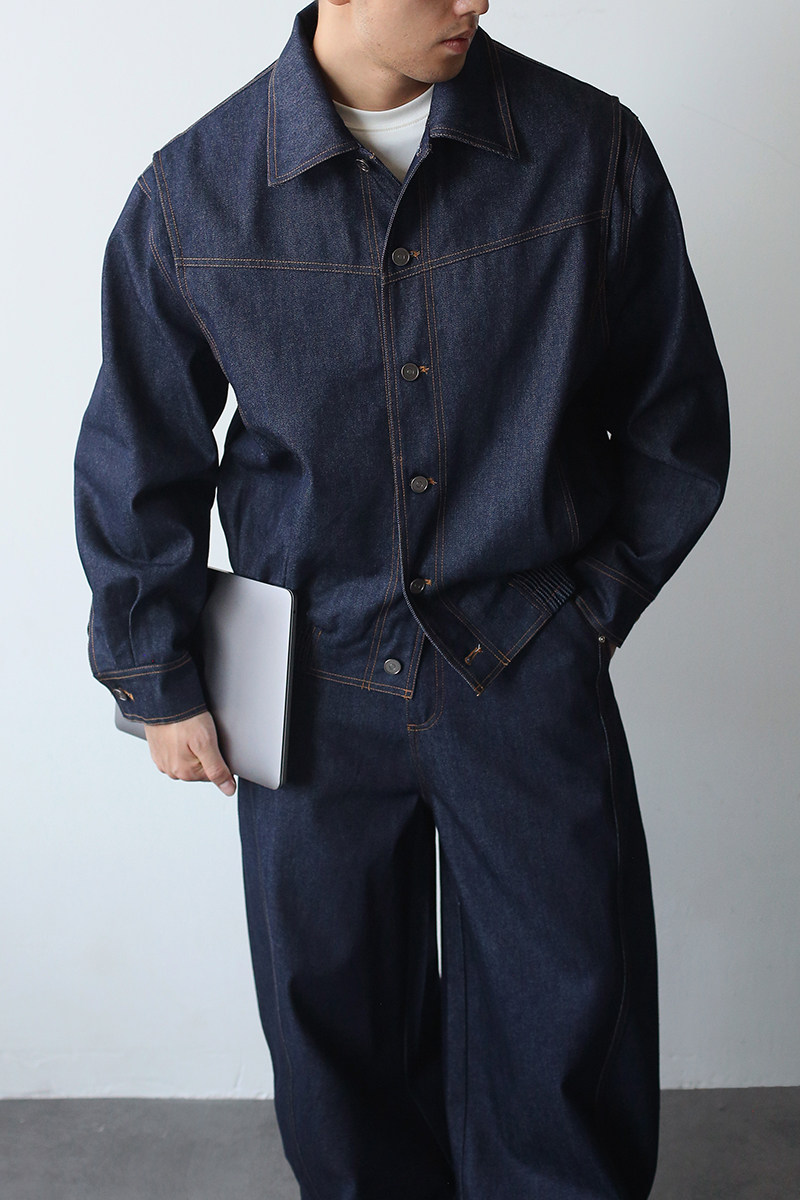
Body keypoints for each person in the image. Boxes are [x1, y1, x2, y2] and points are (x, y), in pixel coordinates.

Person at [73, 0, 730, 1196]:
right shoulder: (196, 189)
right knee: (334, 1038)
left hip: (522, 664)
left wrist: (585, 612)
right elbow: (139, 451)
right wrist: (156, 678)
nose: (476, 0)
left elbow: (671, 421)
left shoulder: (587, 150)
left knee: (565, 1025)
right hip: (302, 682)